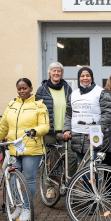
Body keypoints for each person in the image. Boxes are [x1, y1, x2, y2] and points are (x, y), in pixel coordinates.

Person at [0, 78, 50, 221]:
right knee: (12, 177)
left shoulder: (39, 105)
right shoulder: (12, 105)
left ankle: (26, 208)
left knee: (29, 179)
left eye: (24, 88)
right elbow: (3, 128)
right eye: (19, 88)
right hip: (14, 148)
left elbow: (45, 126)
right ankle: (17, 205)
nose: (22, 91)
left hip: (32, 149)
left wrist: (34, 131)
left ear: (30, 88)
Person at [35, 62, 77, 199]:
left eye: (59, 71)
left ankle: (68, 182)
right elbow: (37, 111)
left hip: (65, 130)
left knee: (71, 156)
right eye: (54, 71)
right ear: (49, 73)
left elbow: (72, 109)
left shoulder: (68, 89)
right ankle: (50, 186)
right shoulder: (42, 90)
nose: (56, 73)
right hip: (49, 131)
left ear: (62, 73)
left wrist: (70, 127)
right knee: (50, 159)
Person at [62, 67, 111, 164]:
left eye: (87, 75)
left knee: (90, 171)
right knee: (83, 171)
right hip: (77, 136)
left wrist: (97, 130)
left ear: (92, 77)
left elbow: (108, 113)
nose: (85, 78)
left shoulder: (101, 92)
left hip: (93, 137)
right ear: (79, 78)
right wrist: (67, 129)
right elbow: (69, 114)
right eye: (82, 76)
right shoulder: (73, 94)